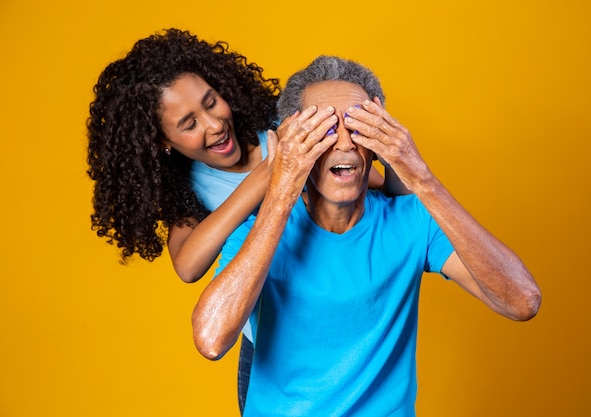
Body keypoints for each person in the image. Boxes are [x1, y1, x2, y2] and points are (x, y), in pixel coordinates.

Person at [191, 55, 542, 416]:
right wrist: (281, 189)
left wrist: (421, 177)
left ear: (379, 141)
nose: (344, 145)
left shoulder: (411, 222)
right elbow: (211, 340)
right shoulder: (257, 232)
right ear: (293, 142)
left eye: (358, 128)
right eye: (324, 130)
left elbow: (522, 301)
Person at [86, 29, 404, 413]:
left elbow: (375, 185)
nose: (215, 124)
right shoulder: (191, 191)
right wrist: (270, 175)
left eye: (211, 102)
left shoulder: (279, 131)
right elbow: (187, 266)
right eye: (189, 124)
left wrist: (377, 144)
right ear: (161, 142)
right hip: (268, 347)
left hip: (335, 321)